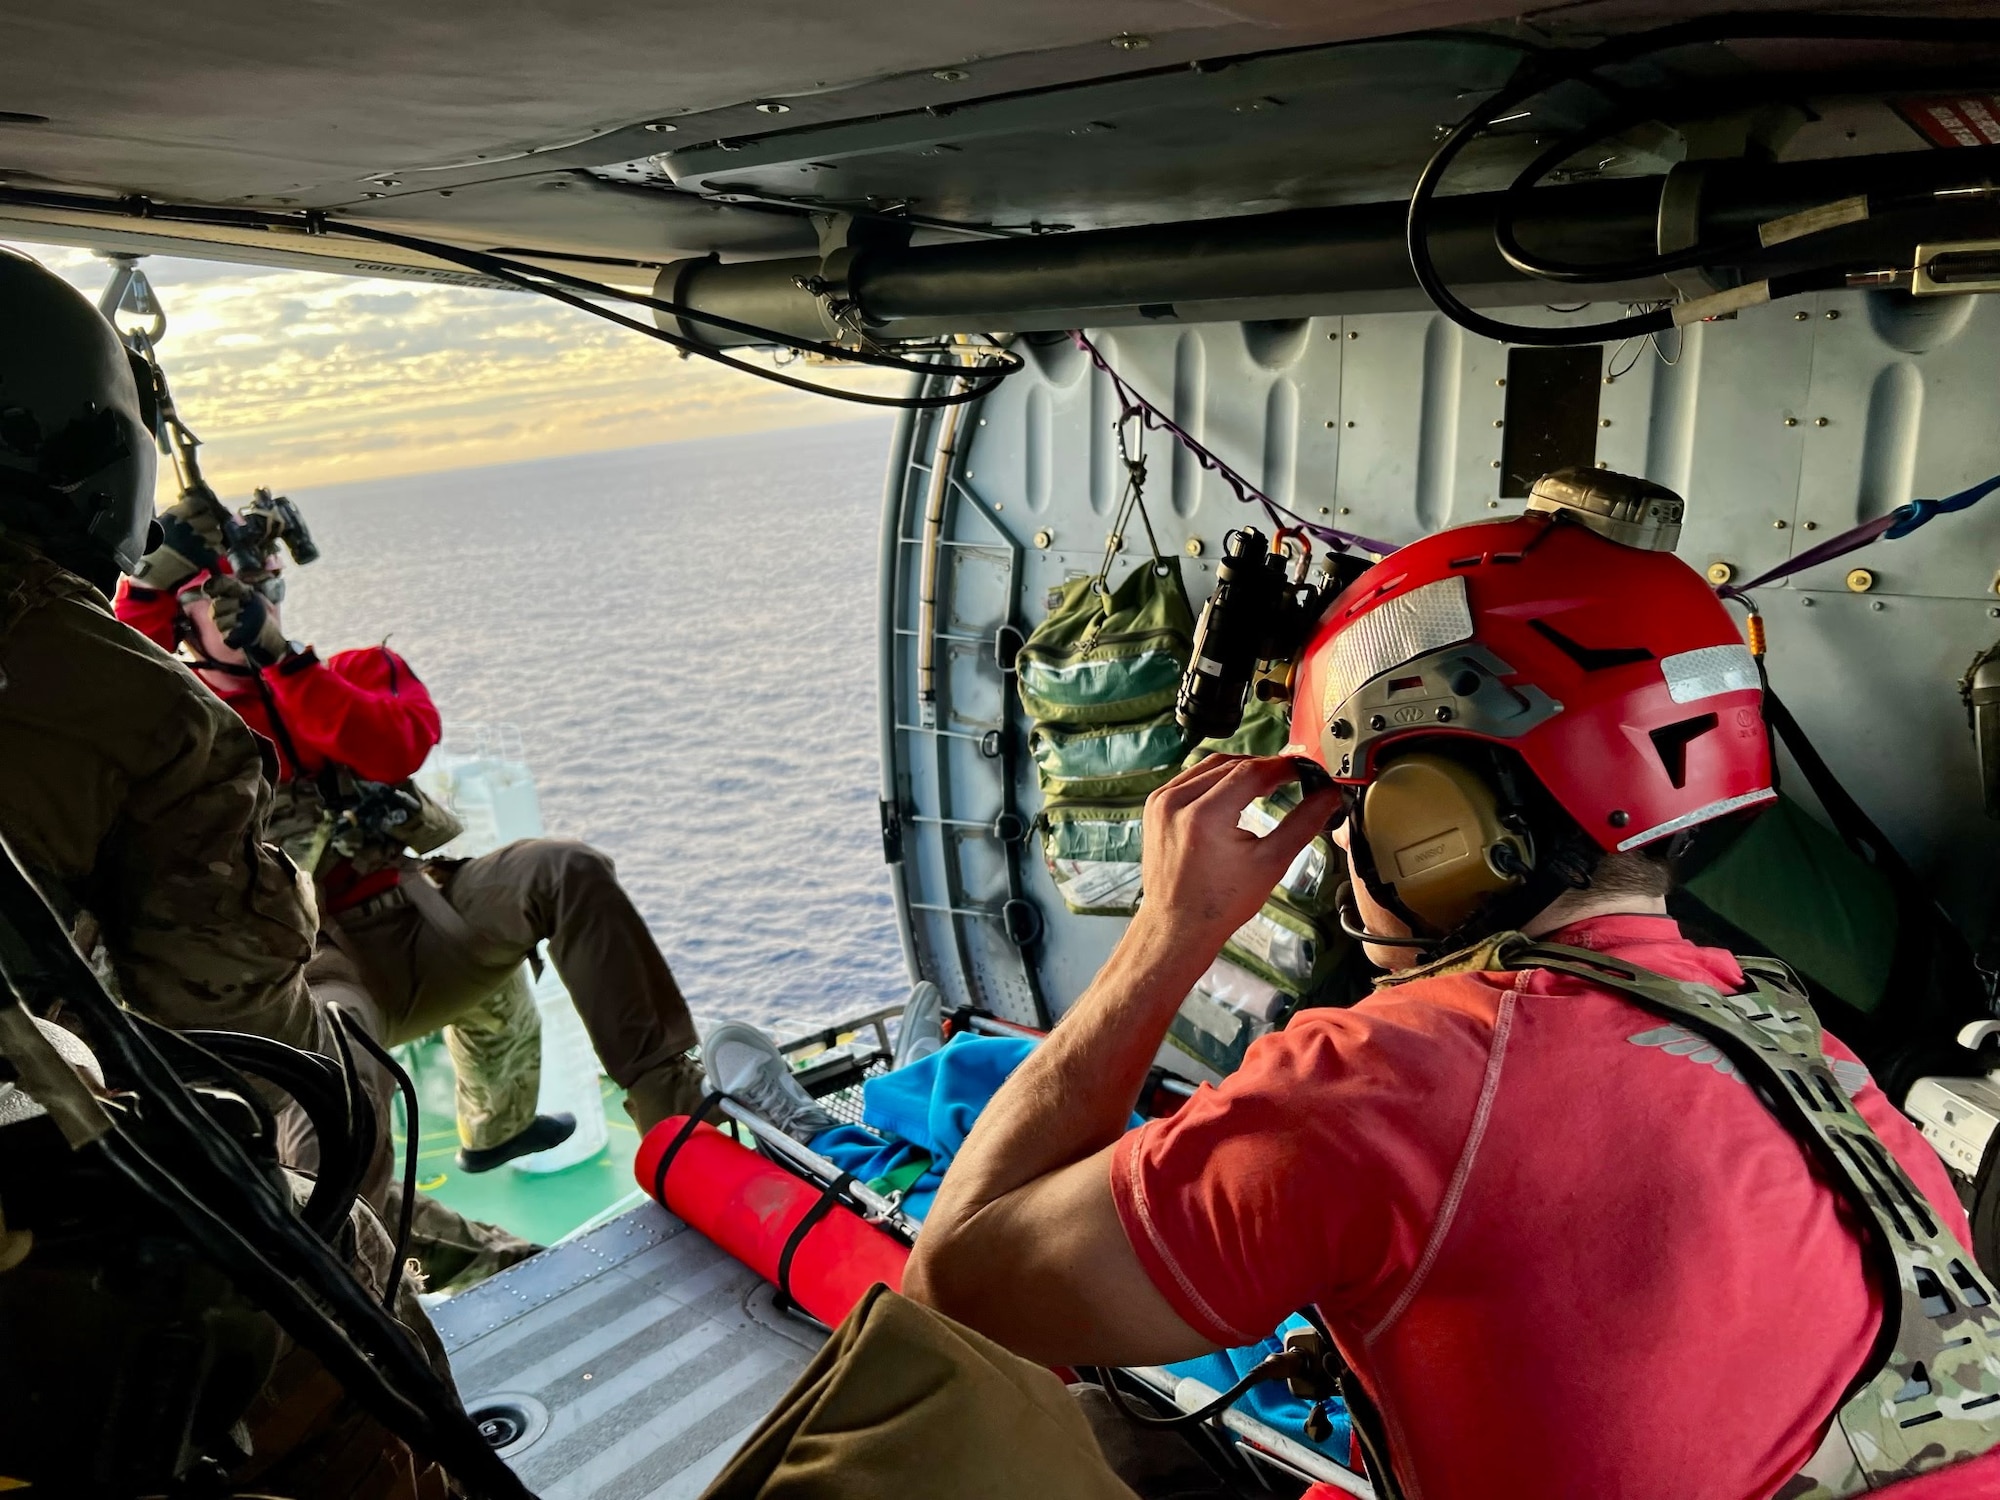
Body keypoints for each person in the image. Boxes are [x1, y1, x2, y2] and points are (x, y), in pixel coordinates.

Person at [712, 478, 2000, 1500]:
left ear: (1430, 823)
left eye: (1349, 804)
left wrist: (1168, 932)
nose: (1340, 852)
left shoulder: (1390, 1081)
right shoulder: (1791, 1039)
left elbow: (960, 1289)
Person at [0, 245, 456, 1498]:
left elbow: (394, 738)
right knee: (334, 1200)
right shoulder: (130, 684)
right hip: (284, 983)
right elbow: (241, 1041)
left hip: (393, 907)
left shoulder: (333, 660)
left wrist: (279, 655)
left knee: (555, 881)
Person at [114, 513, 711, 1166]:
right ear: (182, 620)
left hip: (418, 916)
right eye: (221, 596)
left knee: (566, 871)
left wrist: (285, 665)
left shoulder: (355, 672)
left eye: (262, 592)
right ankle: (344, 1252)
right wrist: (151, 583)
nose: (248, 607)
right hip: (307, 963)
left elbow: (396, 745)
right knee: (337, 1071)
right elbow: (106, 677)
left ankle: (679, 1128)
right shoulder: (185, 719)